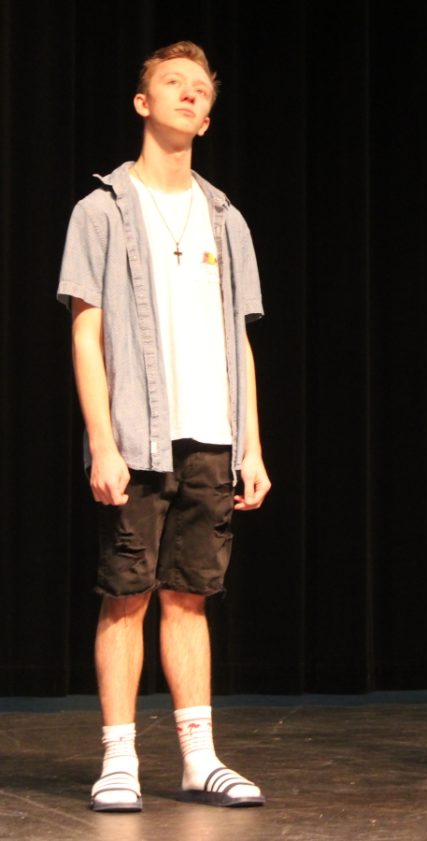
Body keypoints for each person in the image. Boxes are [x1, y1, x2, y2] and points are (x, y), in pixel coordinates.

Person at [57, 41, 271, 812]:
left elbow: (240, 341)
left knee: (190, 595)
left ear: (208, 116)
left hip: (212, 434)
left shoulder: (226, 218)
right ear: (143, 103)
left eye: (200, 89)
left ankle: (198, 756)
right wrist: (103, 442)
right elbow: (87, 332)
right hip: (137, 435)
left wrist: (251, 445)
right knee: (127, 593)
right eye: (171, 84)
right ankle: (119, 756)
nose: (188, 94)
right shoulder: (102, 209)